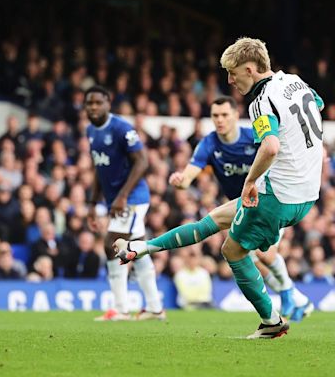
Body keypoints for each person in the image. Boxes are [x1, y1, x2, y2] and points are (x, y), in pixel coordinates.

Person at [115, 37, 324, 338]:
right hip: (307, 191)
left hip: (278, 193)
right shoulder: (294, 82)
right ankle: (142, 248)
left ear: (250, 70)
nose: (230, 79)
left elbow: (271, 145)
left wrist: (250, 181)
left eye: (233, 72)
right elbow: (317, 105)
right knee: (215, 219)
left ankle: (271, 321)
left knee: (233, 250)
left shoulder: (261, 101)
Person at [166, 95, 312, 320]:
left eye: (225, 115)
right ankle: (297, 298)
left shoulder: (252, 137)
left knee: (266, 254)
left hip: (267, 201)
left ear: (236, 115)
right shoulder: (208, 143)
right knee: (249, 258)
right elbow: (188, 176)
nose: (220, 120)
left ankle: (287, 293)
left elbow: (275, 155)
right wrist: (181, 180)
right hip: (239, 209)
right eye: (215, 115)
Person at [85, 85, 164, 321]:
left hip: (133, 198)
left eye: (98, 102)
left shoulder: (122, 128)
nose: (94, 107)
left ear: (108, 104)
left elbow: (142, 162)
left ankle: (120, 309)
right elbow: (99, 169)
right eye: (89, 103)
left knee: (111, 243)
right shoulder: (91, 131)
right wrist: (93, 202)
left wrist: (122, 196)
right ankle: (155, 307)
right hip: (117, 200)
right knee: (138, 249)